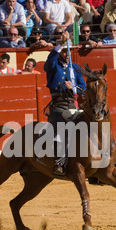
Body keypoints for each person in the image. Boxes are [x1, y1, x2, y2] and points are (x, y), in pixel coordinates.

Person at [43, 30, 86, 177]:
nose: (67, 54)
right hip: (59, 106)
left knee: (91, 126)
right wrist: (60, 45)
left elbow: (83, 89)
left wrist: (73, 88)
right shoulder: (54, 66)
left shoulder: (75, 68)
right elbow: (48, 62)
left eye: (69, 51)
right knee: (63, 130)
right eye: (65, 51)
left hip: (73, 105)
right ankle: (60, 163)